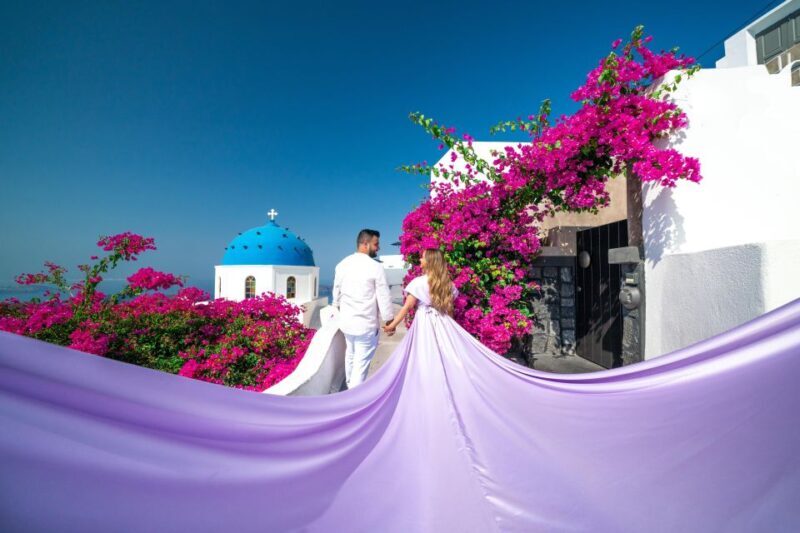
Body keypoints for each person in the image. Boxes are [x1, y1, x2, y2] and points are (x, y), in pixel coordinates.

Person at [332, 229, 395, 388]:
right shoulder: (375, 267)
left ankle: (348, 390)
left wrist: (336, 310)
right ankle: (352, 401)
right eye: (376, 244)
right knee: (360, 364)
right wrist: (389, 320)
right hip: (366, 325)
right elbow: (383, 295)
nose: (378, 248)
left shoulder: (342, 264)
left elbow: (336, 292)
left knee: (351, 357)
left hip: (346, 323)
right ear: (365, 244)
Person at [383, 248, 456, 335]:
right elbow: (450, 309)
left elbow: (407, 306)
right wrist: (452, 329)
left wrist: (392, 325)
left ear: (430, 262)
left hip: (425, 324)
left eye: (423, 257)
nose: (420, 259)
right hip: (444, 323)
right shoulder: (448, 284)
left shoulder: (418, 282)